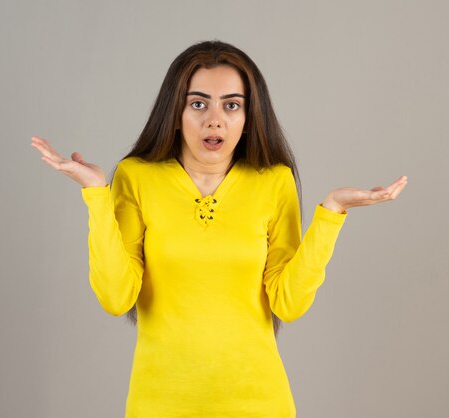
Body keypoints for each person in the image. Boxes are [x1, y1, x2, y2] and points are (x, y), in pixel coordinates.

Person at [31, 40, 407, 417]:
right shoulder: (137, 176)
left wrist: (333, 211)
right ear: (175, 113)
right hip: (160, 404)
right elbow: (116, 297)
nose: (215, 119)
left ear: (248, 118)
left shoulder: (274, 181)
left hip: (259, 403)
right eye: (198, 104)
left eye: (231, 105)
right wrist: (96, 193)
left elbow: (288, 303)